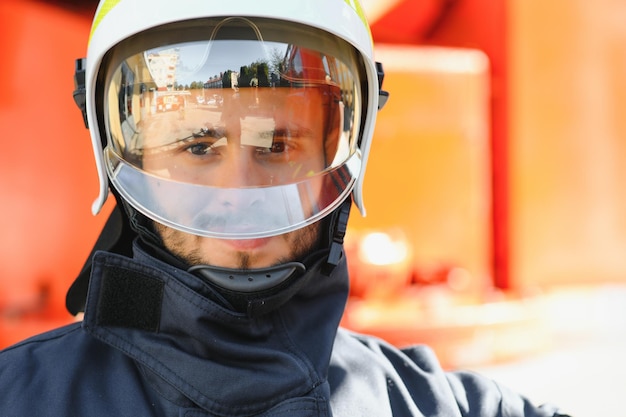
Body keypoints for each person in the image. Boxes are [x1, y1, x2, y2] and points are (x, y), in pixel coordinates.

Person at [0, 1, 570, 416]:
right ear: (120, 154)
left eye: (276, 147)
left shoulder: (436, 406)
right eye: (197, 147)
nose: (239, 193)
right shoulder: (20, 398)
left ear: (343, 148)